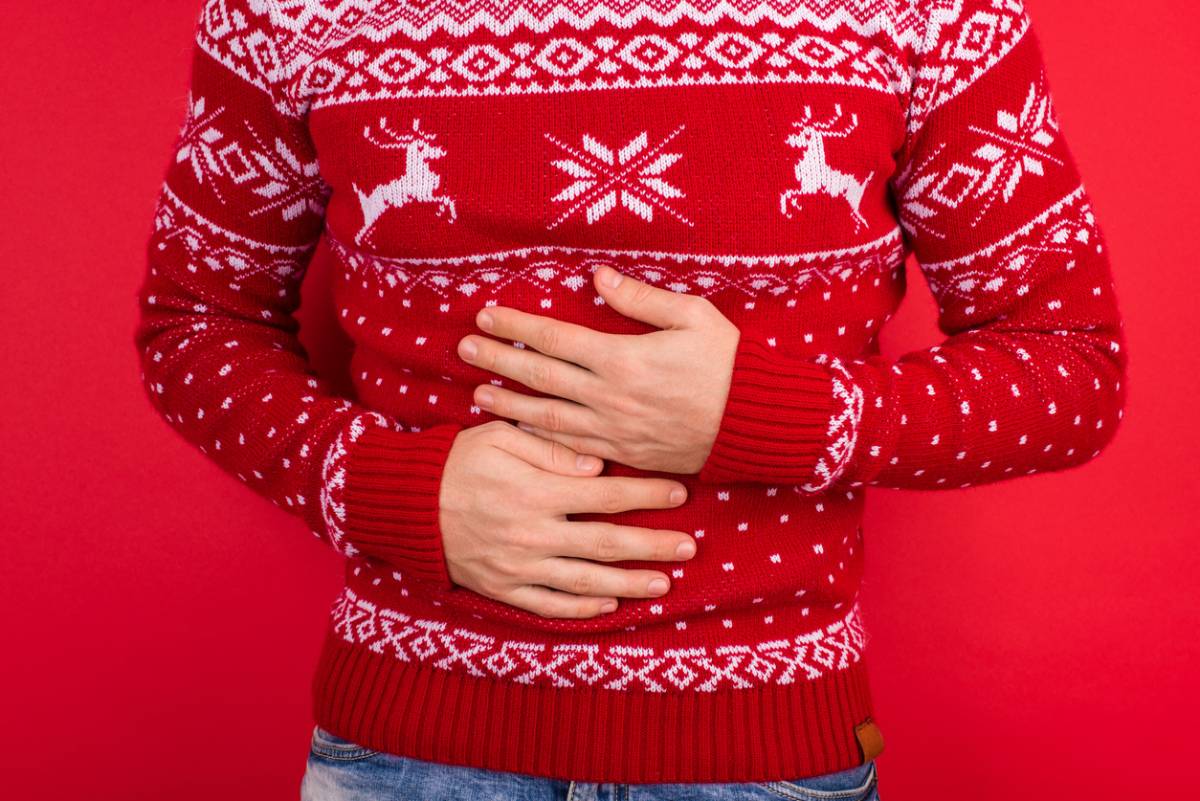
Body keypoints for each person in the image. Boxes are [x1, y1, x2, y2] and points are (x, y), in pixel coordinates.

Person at [133, 0, 1127, 799]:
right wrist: (388, 489)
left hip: (762, 755)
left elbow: (1072, 368)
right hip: (409, 748)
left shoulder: (925, 13)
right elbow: (193, 323)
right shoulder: (290, 13)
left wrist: (762, 418)